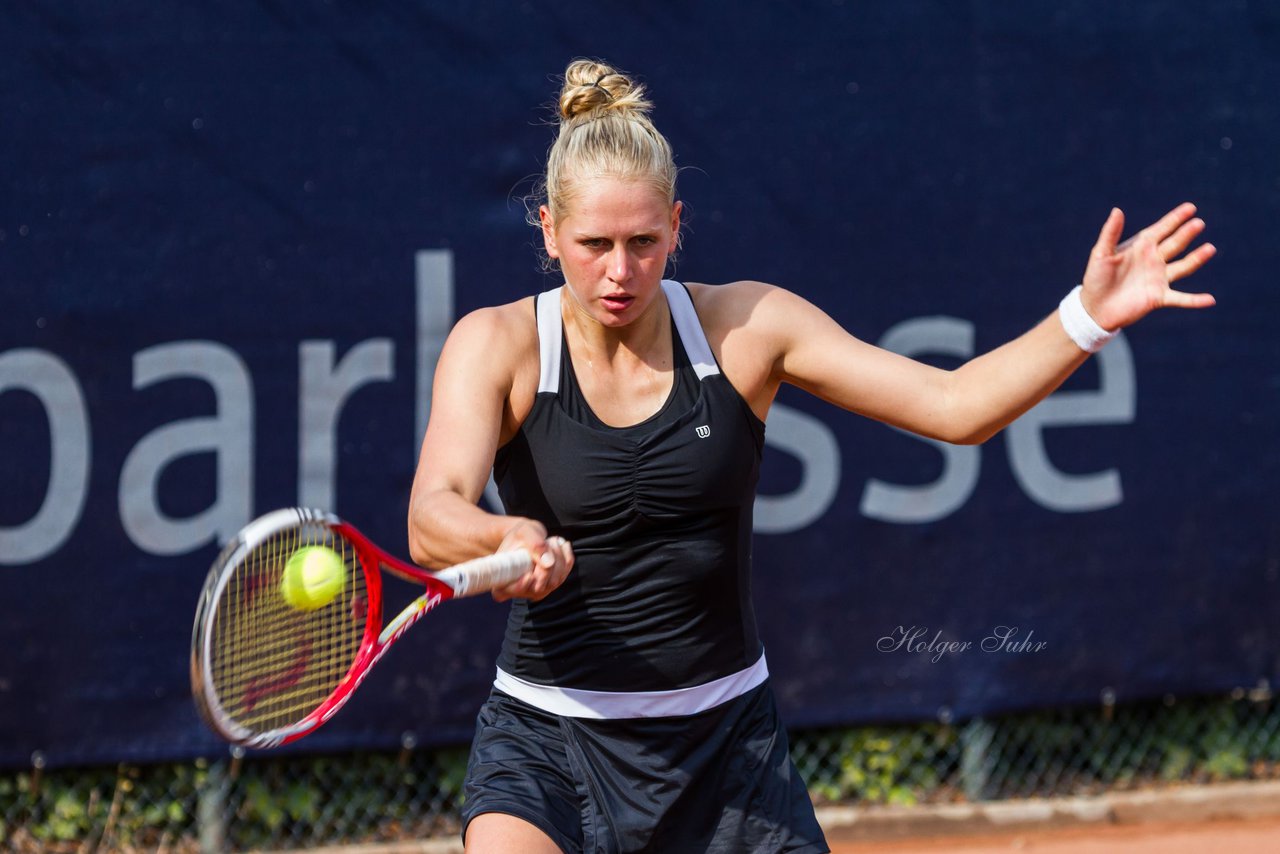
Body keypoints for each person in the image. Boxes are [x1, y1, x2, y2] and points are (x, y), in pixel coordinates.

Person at [407, 58, 1215, 854]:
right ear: (548, 231)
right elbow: (431, 513)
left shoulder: (750, 329)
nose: (620, 271)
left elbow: (956, 407)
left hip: (727, 757)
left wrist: (1087, 317)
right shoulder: (498, 345)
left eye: (644, 241)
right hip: (547, 745)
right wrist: (499, 537)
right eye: (594, 244)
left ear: (678, 227)